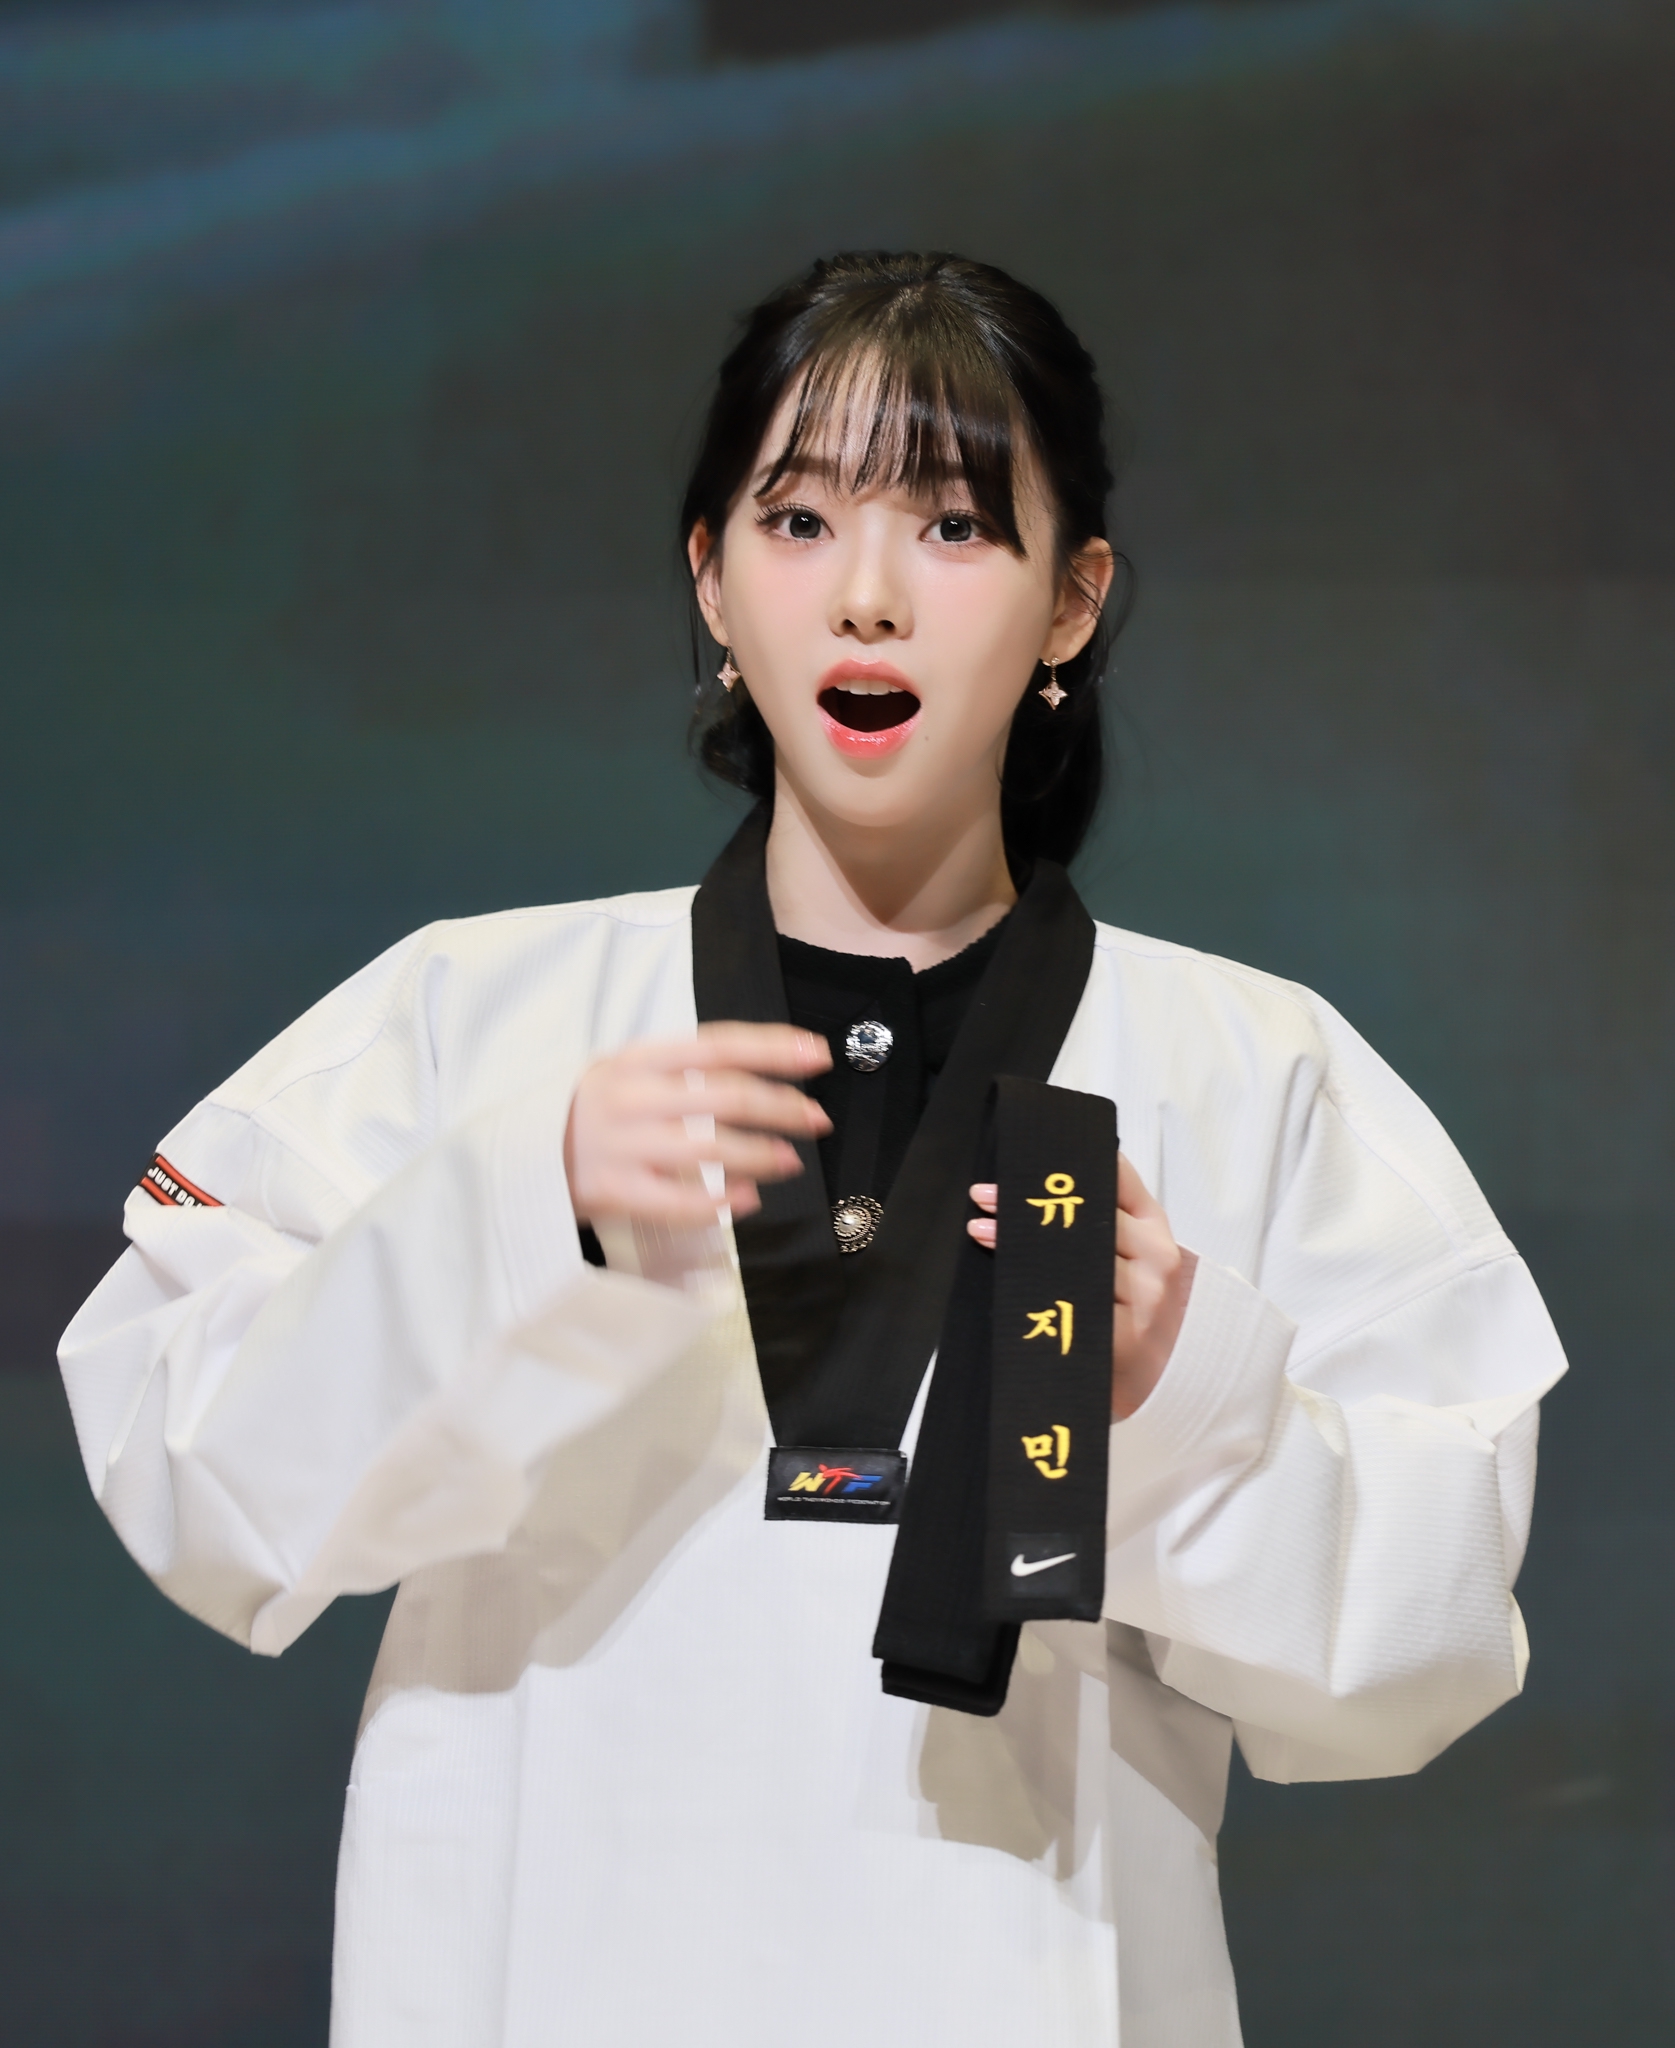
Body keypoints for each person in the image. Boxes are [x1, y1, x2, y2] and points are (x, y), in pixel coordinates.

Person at [59, 251, 1566, 2048]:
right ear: (709, 576)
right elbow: (187, 1470)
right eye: (797, 521)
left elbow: (1429, 1655)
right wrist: (517, 1209)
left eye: (954, 527)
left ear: (1074, 600)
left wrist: (1191, 1396)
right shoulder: (476, 1017)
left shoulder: (1254, 1071)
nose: (867, 597)